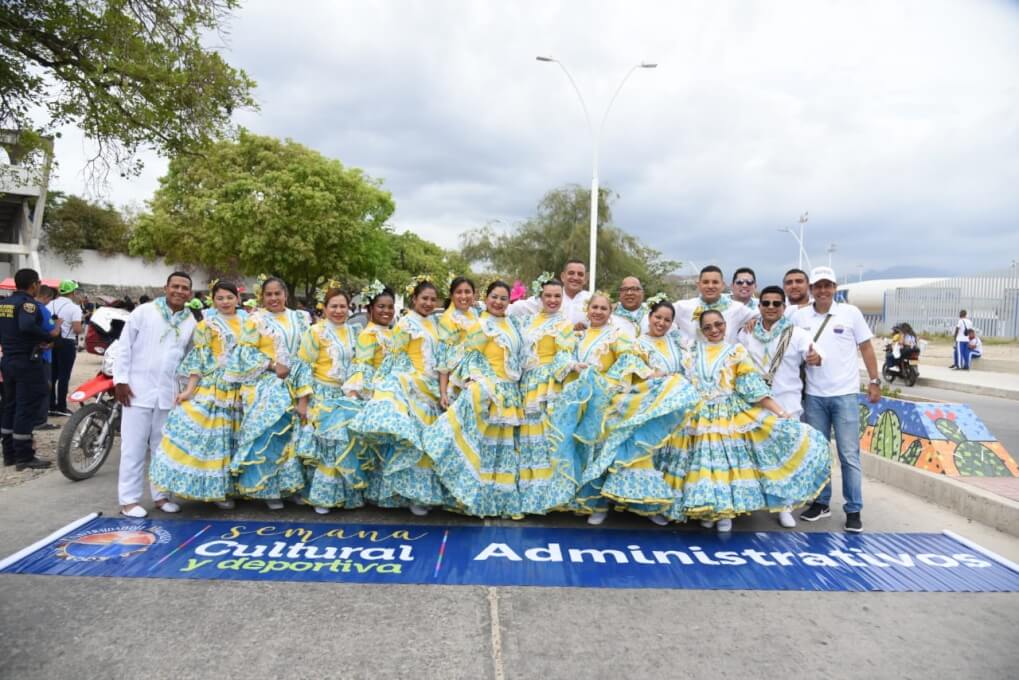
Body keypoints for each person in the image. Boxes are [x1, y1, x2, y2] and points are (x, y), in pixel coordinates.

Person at [653, 310, 830, 532]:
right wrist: (649, 378)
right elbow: (676, 376)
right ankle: (705, 511)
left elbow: (751, 385)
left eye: (718, 324)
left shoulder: (736, 351)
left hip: (727, 417)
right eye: (707, 327)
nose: (714, 330)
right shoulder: (691, 351)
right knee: (696, 466)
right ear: (701, 330)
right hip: (695, 417)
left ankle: (724, 513)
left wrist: (780, 412)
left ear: (725, 324)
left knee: (724, 467)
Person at [551, 294, 701, 526]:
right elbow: (560, 358)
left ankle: (632, 503)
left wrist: (646, 376)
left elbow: (628, 360)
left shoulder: (618, 336)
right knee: (584, 451)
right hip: (579, 399)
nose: (599, 312)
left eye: (604, 308)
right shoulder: (576, 334)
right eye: (595, 307)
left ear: (610, 312)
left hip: (605, 397)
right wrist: (573, 365)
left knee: (606, 451)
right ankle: (591, 503)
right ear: (587, 310)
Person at [425, 280, 531, 517]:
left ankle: (501, 503)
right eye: (494, 297)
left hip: (509, 394)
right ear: (487, 297)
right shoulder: (480, 325)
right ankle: (477, 500)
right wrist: (477, 383)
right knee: (484, 447)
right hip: (488, 392)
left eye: (504, 298)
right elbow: (469, 359)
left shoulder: (513, 323)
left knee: (502, 450)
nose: (498, 302)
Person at [791, 266, 881, 533]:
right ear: (811, 289)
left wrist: (875, 381)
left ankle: (853, 509)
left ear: (835, 288)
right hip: (814, 396)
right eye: (817, 286)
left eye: (827, 285)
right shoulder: (800, 316)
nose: (822, 291)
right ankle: (821, 502)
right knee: (819, 454)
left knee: (848, 454)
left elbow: (866, 347)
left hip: (845, 395)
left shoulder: (850, 313)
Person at [350, 279, 448, 515]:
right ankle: (412, 496)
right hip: (413, 386)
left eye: (433, 299)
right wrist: (391, 384)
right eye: (424, 298)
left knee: (429, 442)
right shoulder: (405, 325)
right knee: (415, 442)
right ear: (414, 299)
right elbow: (395, 358)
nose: (428, 303)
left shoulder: (435, 322)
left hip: (432, 388)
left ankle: (424, 493)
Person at [149, 281, 247, 510]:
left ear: (237, 299)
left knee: (235, 437)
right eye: (220, 298)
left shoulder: (249, 322)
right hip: (215, 386)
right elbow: (199, 359)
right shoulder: (206, 325)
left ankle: (233, 488)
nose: (225, 302)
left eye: (229, 297)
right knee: (214, 439)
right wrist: (188, 390)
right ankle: (215, 492)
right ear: (213, 300)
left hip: (241, 386)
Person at [113, 271, 197, 517]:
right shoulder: (144, 312)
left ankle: (161, 496)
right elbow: (124, 346)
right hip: (137, 390)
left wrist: (185, 392)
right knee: (133, 447)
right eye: (176, 286)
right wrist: (120, 380)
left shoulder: (190, 321)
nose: (180, 291)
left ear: (190, 294)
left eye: (185, 288)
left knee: (163, 448)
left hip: (169, 394)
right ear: (166, 287)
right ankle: (128, 500)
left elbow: (189, 359)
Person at [737, 286, 822, 528]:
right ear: (759, 306)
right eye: (766, 303)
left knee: (784, 456)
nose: (771, 307)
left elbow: (814, 352)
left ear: (784, 307)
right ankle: (754, 505)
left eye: (776, 303)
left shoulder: (796, 334)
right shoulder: (747, 333)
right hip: (754, 403)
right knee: (754, 456)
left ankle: (784, 507)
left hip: (787, 403)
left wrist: (816, 358)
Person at [225, 277, 312, 510]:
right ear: (262, 297)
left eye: (277, 293)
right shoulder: (256, 320)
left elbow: (306, 351)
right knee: (272, 431)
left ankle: (290, 486)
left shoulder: (300, 318)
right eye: (269, 294)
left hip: (297, 378)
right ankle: (268, 488)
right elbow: (244, 354)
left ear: (285, 294)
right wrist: (273, 366)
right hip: (266, 380)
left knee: (295, 434)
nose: (273, 298)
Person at [295, 288, 368, 514]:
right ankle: (322, 497)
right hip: (321, 394)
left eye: (342, 306)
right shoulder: (315, 332)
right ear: (324, 308)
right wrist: (303, 402)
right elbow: (304, 366)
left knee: (347, 443)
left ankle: (346, 496)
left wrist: (355, 389)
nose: (338, 311)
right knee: (328, 444)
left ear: (349, 308)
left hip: (347, 394)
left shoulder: (355, 331)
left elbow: (360, 363)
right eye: (333, 306)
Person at [515, 276, 580, 514]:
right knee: (528, 439)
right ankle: (529, 493)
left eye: (557, 296)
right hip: (527, 384)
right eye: (548, 296)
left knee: (547, 439)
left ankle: (550, 495)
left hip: (549, 385)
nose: (552, 300)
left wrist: (571, 365)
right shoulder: (528, 321)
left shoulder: (563, 324)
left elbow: (564, 354)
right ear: (539, 297)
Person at [342, 282, 396, 503]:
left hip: (392, 391)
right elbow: (362, 366)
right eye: (381, 307)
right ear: (370, 309)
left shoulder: (393, 332)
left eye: (390, 307)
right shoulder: (368, 334)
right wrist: (357, 395)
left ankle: (382, 493)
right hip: (373, 393)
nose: (386, 311)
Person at [1, 269, 60, 470]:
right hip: (26, 361)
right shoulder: (28, 305)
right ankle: (24, 455)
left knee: (10, 406)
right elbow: (26, 326)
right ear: (34, 284)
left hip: (8, 360)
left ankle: (9, 454)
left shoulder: (3, 304)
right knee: (26, 407)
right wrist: (48, 337)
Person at [674, 265, 756, 343]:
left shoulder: (736, 308)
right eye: (705, 282)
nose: (710, 286)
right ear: (698, 285)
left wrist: (754, 320)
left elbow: (763, 317)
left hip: (727, 356)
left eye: (715, 282)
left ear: (723, 285)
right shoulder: (683, 307)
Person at [437, 276, 480, 409]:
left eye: (467, 292)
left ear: (474, 294)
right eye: (459, 292)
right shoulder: (447, 320)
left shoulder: (477, 315)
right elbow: (443, 359)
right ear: (451, 295)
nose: (463, 296)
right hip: (457, 379)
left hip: (479, 373)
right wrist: (443, 392)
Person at [509, 260, 591, 328]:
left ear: (585, 279)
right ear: (563, 276)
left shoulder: (591, 300)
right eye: (571, 273)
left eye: (580, 274)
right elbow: (517, 308)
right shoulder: (548, 297)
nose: (575, 277)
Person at [45, 280, 82, 417]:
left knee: (52, 375)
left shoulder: (49, 304)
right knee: (64, 376)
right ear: (72, 292)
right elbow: (77, 329)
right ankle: (61, 406)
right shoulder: (74, 308)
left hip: (51, 342)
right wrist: (81, 327)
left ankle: (50, 406)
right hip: (67, 343)